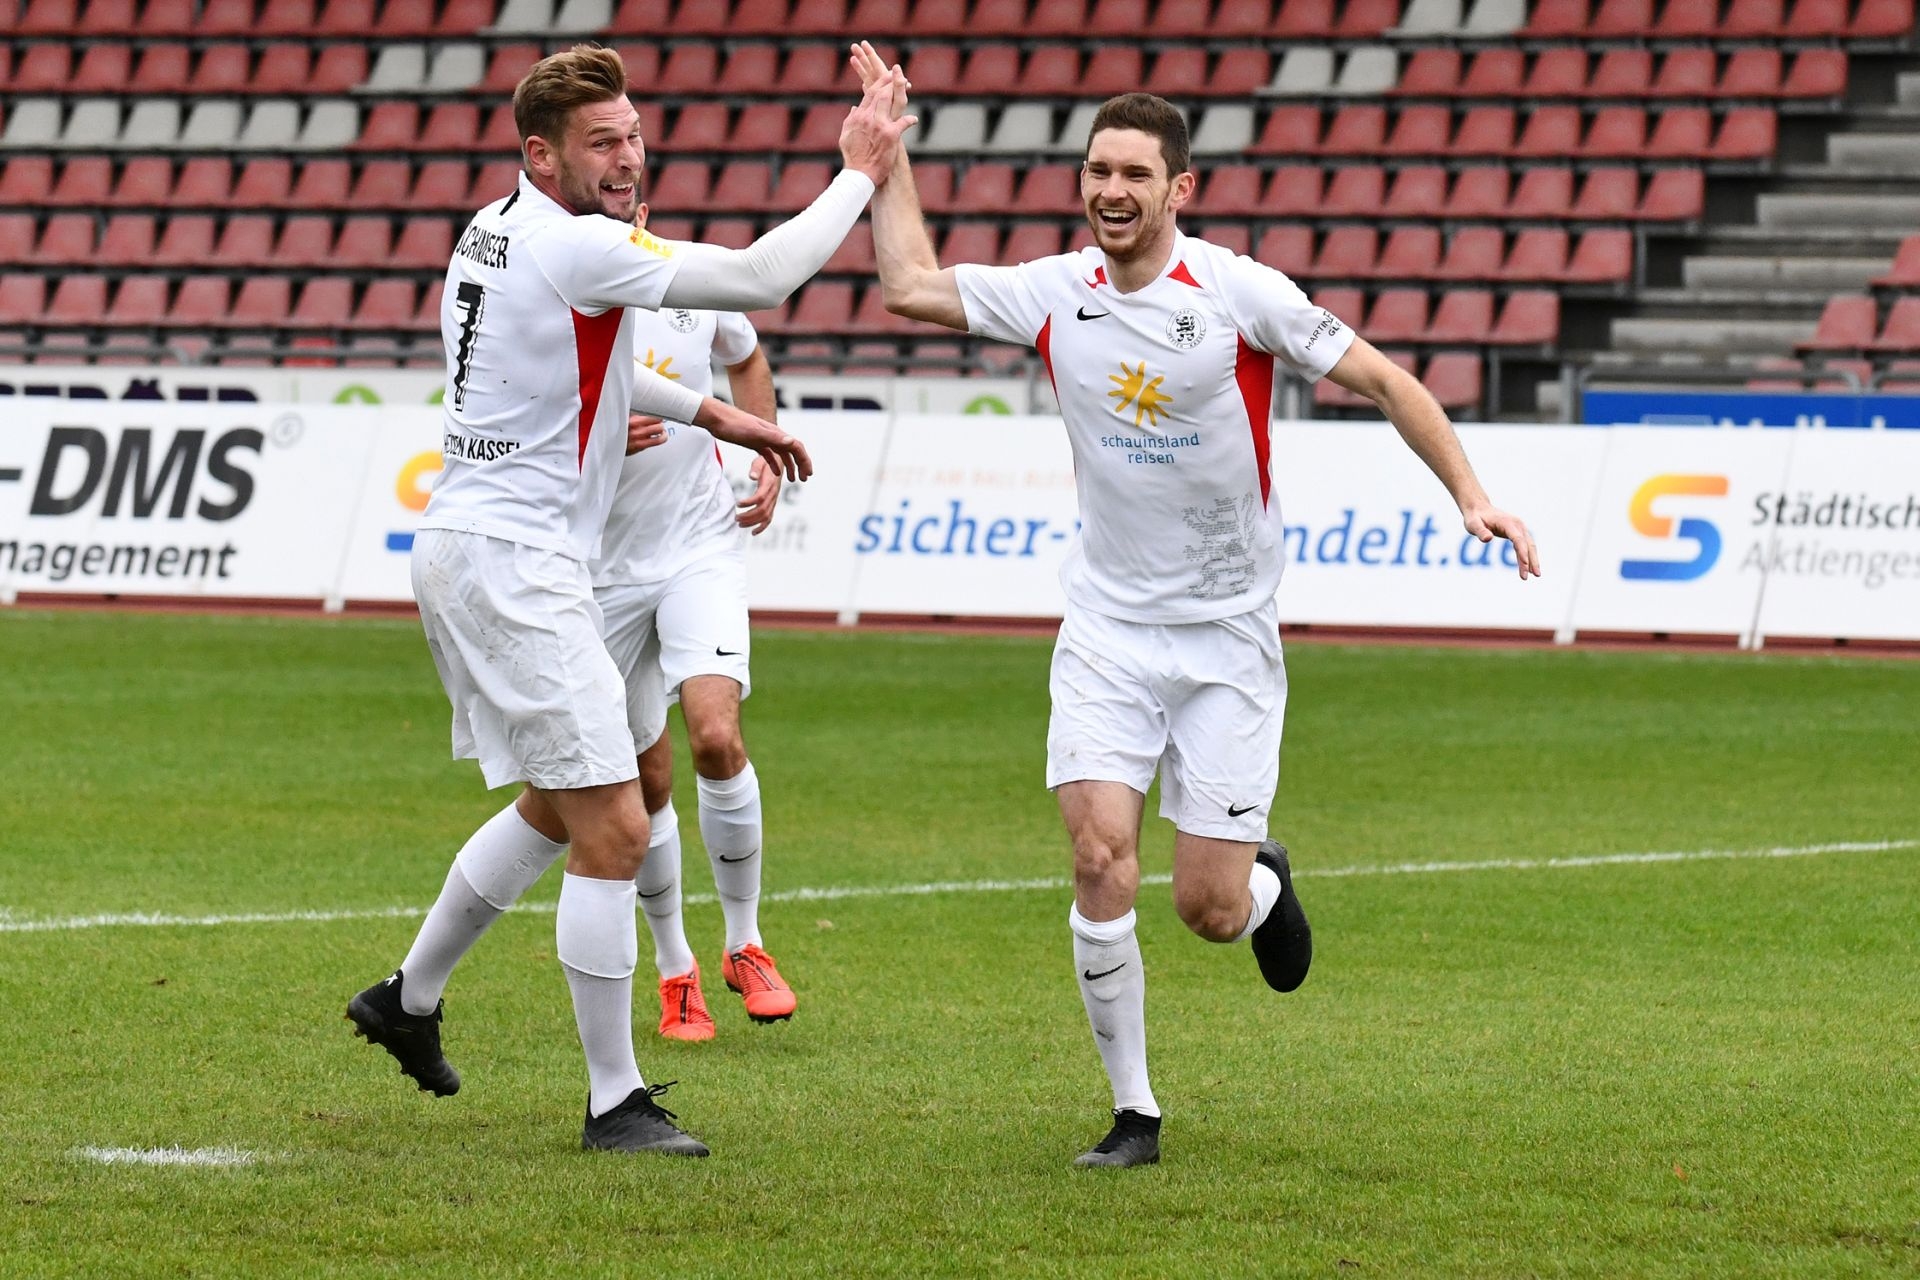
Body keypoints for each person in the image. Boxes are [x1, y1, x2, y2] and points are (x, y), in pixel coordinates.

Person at [855, 46, 1539, 1168]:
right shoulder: (1056, 291)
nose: (1112, 191)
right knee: (1098, 857)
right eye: (1097, 170)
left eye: (1135, 173)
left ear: (1181, 187)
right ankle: (1135, 1113)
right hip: (1106, 632)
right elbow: (910, 286)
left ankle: (1261, 879)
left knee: (1207, 910)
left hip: (1225, 638)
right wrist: (887, 159)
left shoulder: (1238, 293)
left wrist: (1473, 495)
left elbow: (1384, 380)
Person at [346, 44, 912, 1158]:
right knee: (616, 820)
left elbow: (579, 360)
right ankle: (616, 1101)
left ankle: (406, 999)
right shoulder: (579, 243)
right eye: (602, 141)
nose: (628, 158)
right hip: (516, 561)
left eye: (635, 136)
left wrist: (716, 413)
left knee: (561, 807)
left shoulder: (492, 228)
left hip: (482, 548)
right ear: (540, 153)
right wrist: (861, 168)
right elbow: (760, 276)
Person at [594, 199, 794, 1044]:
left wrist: (763, 444)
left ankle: (745, 943)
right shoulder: (557, 289)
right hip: (599, 564)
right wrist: (599, 432)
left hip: (697, 545)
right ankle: (675, 968)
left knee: (715, 734)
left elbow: (746, 356)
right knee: (644, 782)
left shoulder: (691, 279)